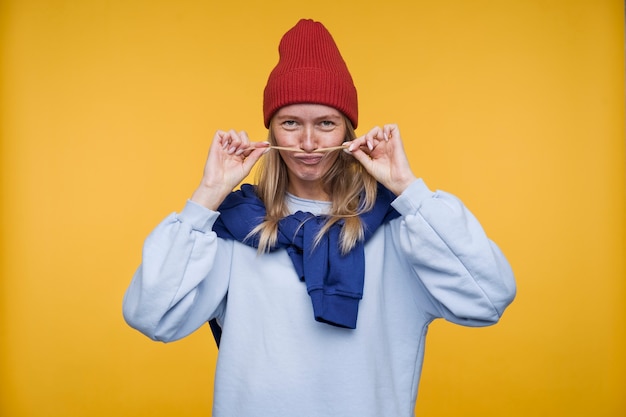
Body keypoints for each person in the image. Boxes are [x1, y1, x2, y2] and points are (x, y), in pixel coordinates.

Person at [123, 18, 516, 417]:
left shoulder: (404, 229)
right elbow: (151, 316)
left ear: (347, 129)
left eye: (325, 124)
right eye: (290, 123)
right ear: (272, 132)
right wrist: (207, 195)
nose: (308, 143)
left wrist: (408, 188)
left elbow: (489, 298)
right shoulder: (232, 230)